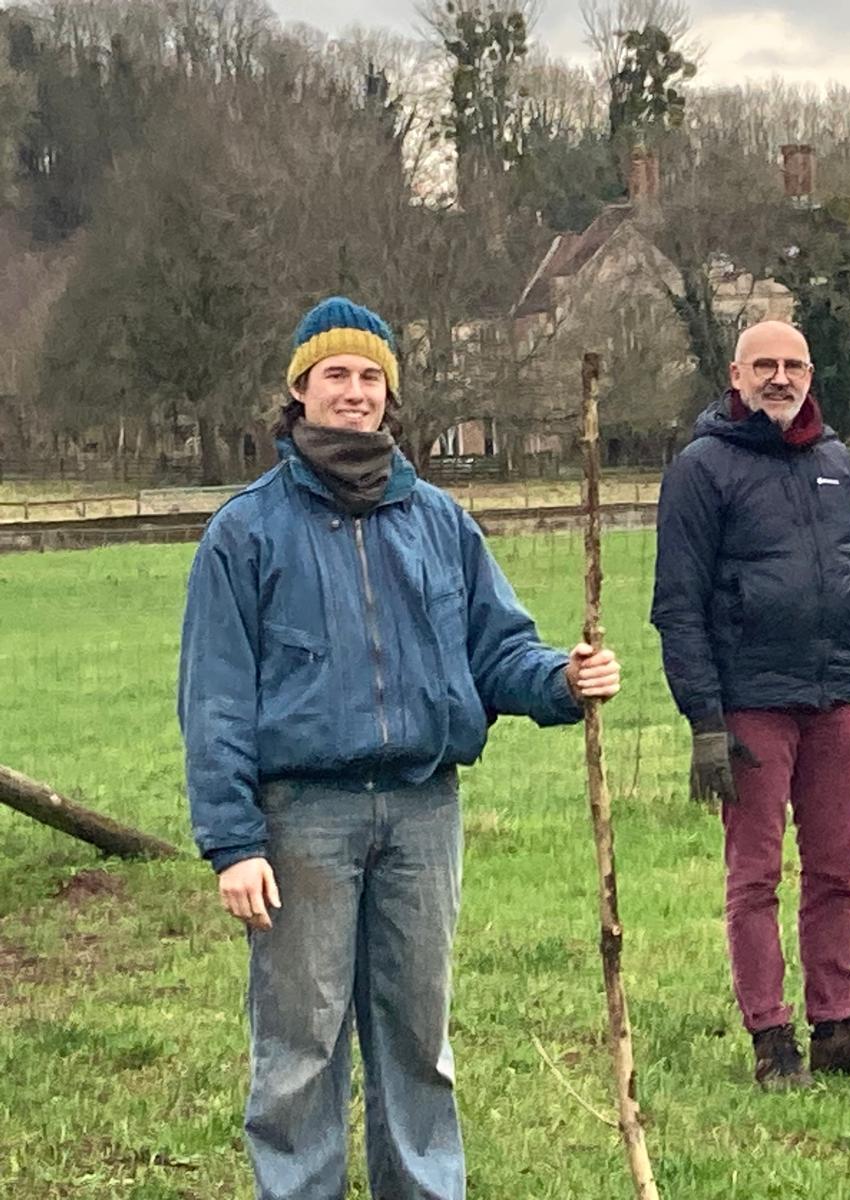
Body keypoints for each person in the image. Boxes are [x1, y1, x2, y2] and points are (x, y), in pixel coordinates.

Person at [178, 297, 621, 1197]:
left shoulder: (439, 524)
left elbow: (498, 648)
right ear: (297, 393)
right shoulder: (244, 534)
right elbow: (216, 700)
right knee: (301, 1044)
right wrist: (233, 843)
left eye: (370, 376)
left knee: (418, 1040)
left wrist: (560, 679)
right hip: (302, 819)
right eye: (334, 375)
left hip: (423, 811)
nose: (354, 392)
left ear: (391, 396)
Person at [650, 319, 850, 1090]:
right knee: (755, 876)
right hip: (751, 707)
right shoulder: (702, 469)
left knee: (836, 869)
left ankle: (837, 1025)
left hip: (834, 701)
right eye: (764, 364)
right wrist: (704, 720)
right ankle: (772, 1039)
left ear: (810, 374)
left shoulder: (835, 462)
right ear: (735, 376)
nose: (779, 376)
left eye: (793, 364)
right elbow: (678, 605)